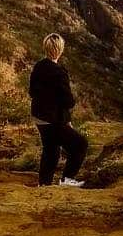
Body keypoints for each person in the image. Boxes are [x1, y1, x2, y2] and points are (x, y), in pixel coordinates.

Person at [28, 32, 87, 187]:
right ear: (60, 50)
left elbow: (32, 92)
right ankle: (67, 180)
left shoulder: (39, 66)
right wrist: (66, 117)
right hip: (52, 118)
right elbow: (67, 101)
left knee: (51, 149)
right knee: (80, 144)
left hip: (39, 116)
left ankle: (44, 183)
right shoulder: (59, 72)